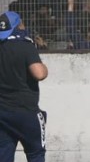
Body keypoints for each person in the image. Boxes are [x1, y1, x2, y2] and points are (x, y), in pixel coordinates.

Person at [0, 11, 49, 162]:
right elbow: (39, 73)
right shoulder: (25, 45)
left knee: (4, 154)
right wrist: (45, 67)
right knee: (35, 154)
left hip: (3, 113)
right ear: (18, 25)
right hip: (26, 112)